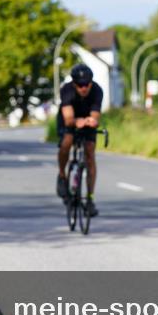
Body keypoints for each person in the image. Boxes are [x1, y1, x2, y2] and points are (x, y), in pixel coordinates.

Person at [56, 64, 103, 217]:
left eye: (87, 84)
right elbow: (68, 118)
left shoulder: (97, 90)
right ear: (74, 84)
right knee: (67, 141)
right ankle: (62, 175)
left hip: (86, 120)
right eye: (80, 85)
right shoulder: (67, 90)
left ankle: (90, 199)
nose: (84, 88)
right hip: (69, 119)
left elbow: (95, 117)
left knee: (90, 153)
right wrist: (77, 122)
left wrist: (92, 121)